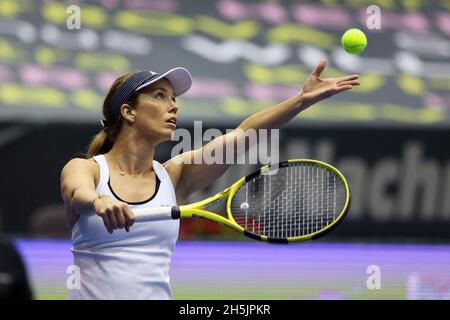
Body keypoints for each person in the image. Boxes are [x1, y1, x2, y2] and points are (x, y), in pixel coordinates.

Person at [60, 59, 359, 299]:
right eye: (160, 96)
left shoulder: (175, 176)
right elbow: (78, 194)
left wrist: (301, 100)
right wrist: (100, 202)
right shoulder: (88, 169)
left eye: (174, 98)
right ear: (128, 112)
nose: (174, 105)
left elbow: (243, 134)